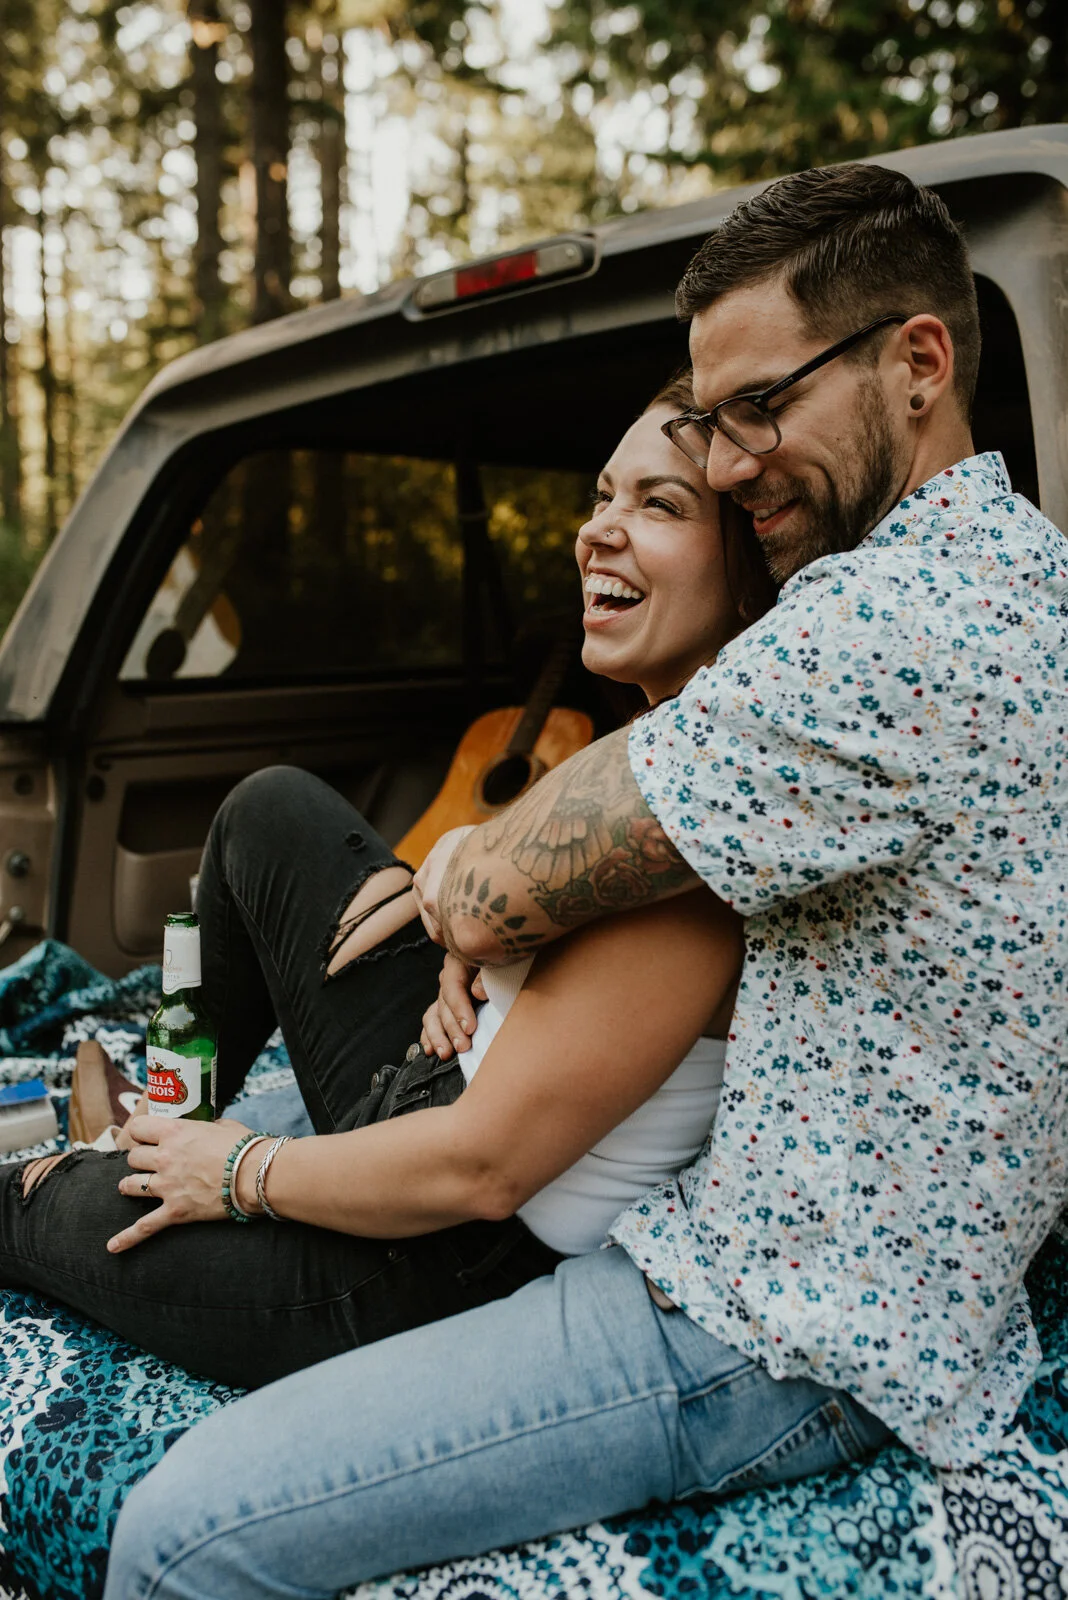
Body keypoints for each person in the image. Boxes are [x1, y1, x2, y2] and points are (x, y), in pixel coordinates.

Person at [102, 160, 1067, 1600]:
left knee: (178, 1538)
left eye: (760, 407)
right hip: (846, 1285)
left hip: (767, 1335)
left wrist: (466, 905)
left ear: (918, 363)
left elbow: (490, 911)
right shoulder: (1023, 580)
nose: (736, 461)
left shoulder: (882, 625)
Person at [0, 377, 775, 1392]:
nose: (598, 533)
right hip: (427, 1079)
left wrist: (235, 1172)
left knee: (25, 1198)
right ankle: (158, 1111)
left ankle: (131, 1157)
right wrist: (473, 939)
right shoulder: (646, 749)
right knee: (270, 807)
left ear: (753, 575)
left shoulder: (703, 820)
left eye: (659, 505)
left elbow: (482, 1173)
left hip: (435, 1252)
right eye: (602, 496)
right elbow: (527, 898)